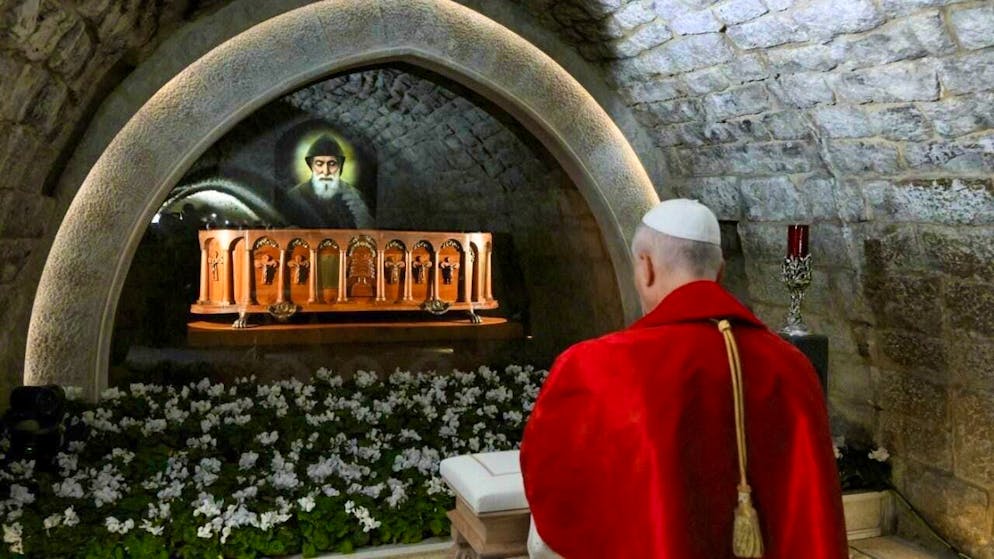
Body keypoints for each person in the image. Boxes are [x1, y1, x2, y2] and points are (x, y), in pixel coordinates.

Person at [520, 199, 847, 558]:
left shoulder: (594, 366)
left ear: (645, 267)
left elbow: (556, 490)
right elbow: (813, 513)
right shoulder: (792, 366)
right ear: (720, 273)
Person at [283, 136, 374, 229]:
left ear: (340, 166)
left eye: (332, 164)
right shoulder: (295, 196)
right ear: (311, 166)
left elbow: (368, 234)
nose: (326, 171)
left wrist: (358, 208)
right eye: (319, 164)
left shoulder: (354, 196)